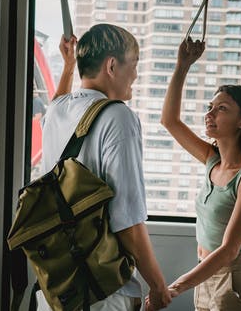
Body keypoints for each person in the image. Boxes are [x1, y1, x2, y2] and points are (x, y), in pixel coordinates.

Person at [38, 24, 172, 311]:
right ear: (112, 65)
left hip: (58, 283)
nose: (135, 75)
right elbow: (127, 219)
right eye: (133, 65)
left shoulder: (57, 110)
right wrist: (158, 286)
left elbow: (57, 102)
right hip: (103, 289)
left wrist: (68, 67)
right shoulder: (118, 117)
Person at [159, 37, 241, 310]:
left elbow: (230, 249)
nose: (210, 114)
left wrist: (175, 287)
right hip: (207, 275)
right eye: (210, 107)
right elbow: (170, 121)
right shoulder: (213, 161)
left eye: (221, 109)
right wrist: (182, 66)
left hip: (236, 279)